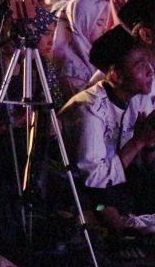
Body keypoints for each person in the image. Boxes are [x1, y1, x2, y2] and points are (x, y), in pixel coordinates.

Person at [60, 26, 155, 234]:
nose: (150, 71)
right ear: (117, 76)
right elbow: (93, 178)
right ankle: (118, 230)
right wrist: (137, 142)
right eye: (140, 65)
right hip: (84, 189)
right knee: (103, 203)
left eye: (148, 62)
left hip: (117, 182)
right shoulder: (88, 108)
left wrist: (148, 143)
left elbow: (142, 161)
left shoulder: (137, 98)